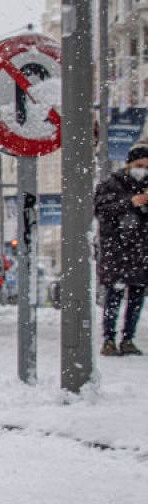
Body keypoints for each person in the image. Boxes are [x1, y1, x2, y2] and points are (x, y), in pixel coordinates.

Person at [94, 145, 148, 357]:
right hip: (116, 251)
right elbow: (101, 210)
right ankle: (109, 339)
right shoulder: (111, 185)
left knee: (136, 298)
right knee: (113, 296)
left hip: (141, 251)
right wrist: (129, 203)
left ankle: (128, 338)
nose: (142, 170)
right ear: (128, 165)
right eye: (139, 166)